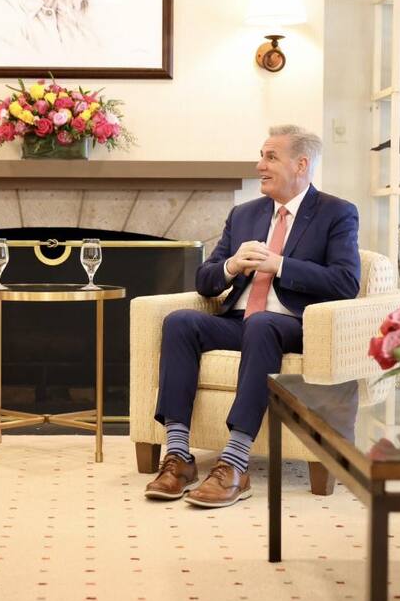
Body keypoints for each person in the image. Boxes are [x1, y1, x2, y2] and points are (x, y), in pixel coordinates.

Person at [144, 124, 360, 508]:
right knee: (180, 321)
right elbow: (204, 281)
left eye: (270, 157)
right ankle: (178, 457)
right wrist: (230, 266)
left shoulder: (336, 213)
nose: (260, 165)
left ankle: (234, 463)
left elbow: (345, 282)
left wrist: (280, 264)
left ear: (301, 164)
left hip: (293, 325)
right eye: (261, 155)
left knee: (262, 324)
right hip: (239, 322)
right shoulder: (244, 214)